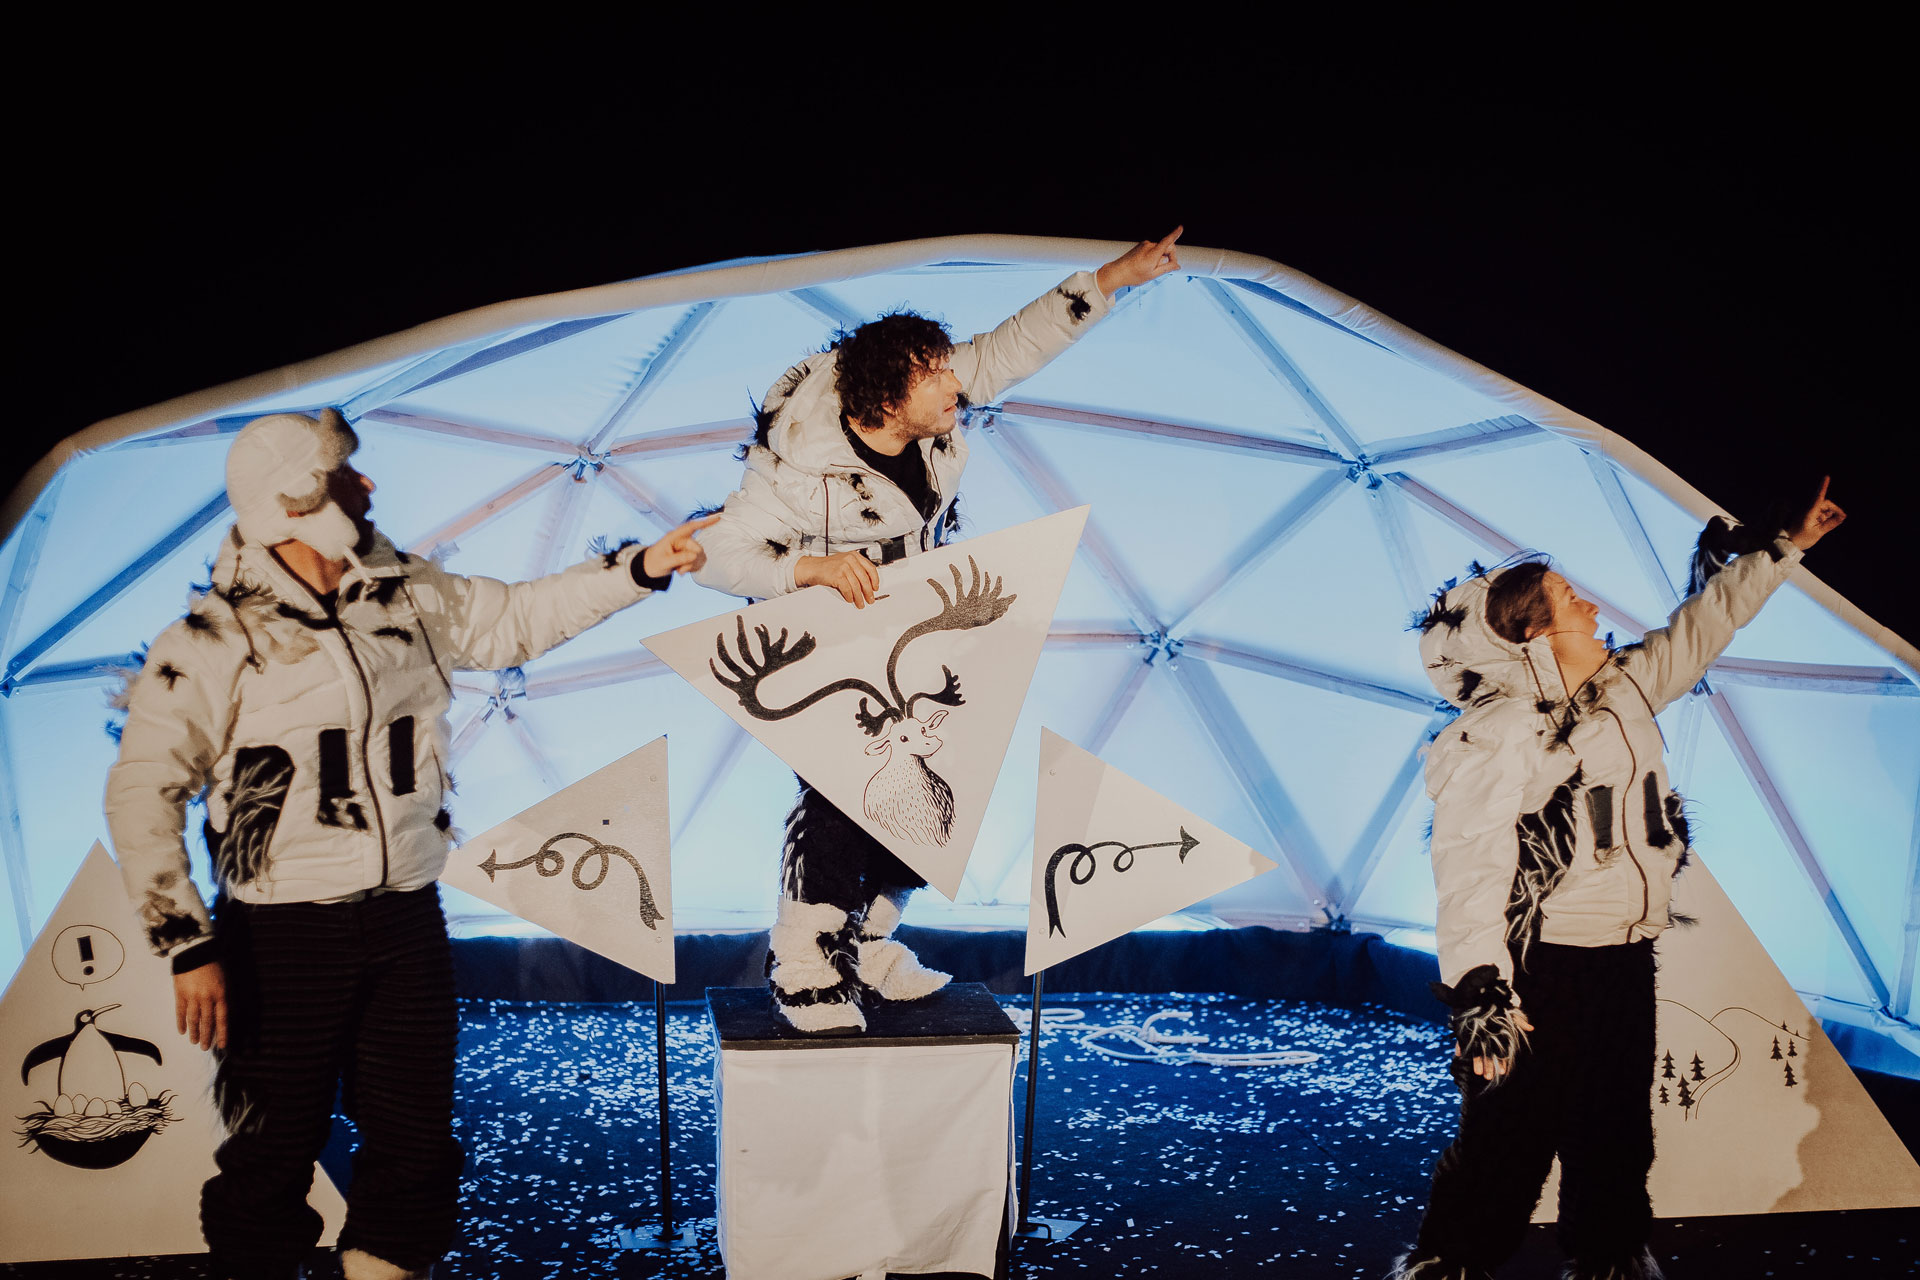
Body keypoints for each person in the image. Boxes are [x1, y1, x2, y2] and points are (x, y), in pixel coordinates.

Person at [104, 408, 715, 1280]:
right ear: (293, 502)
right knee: (272, 1151)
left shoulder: (405, 593)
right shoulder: (213, 640)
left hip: (404, 919)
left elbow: (515, 621)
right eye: (343, 475)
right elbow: (143, 790)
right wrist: (186, 944)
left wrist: (641, 568)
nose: (367, 485)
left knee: (416, 1143)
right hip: (281, 933)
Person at [695, 229, 1184, 1033]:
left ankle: (868, 944)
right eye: (937, 374)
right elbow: (717, 553)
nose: (958, 380)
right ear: (890, 397)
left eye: (949, 366)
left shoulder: (929, 411)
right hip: (821, 649)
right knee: (840, 794)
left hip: (911, 630)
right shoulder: (793, 466)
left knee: (928, 787)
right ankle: (805, 964)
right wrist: (809, 569)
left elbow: (1012, 346)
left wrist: (1114, 278)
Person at [1389, 480, 1847, 1280]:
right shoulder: (1501, 733)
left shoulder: (1624, 688)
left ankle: (1608, 1259)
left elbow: (1705, 624)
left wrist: (1783, 550)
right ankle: (1450, 1264)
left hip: (1624, 957)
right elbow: (1469, 861)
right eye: (1571, 599)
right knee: (1510, 1137)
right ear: (1533, 633)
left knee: (1615, 1130)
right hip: (1542, 970)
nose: (1593, 605)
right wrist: (1480, 991)